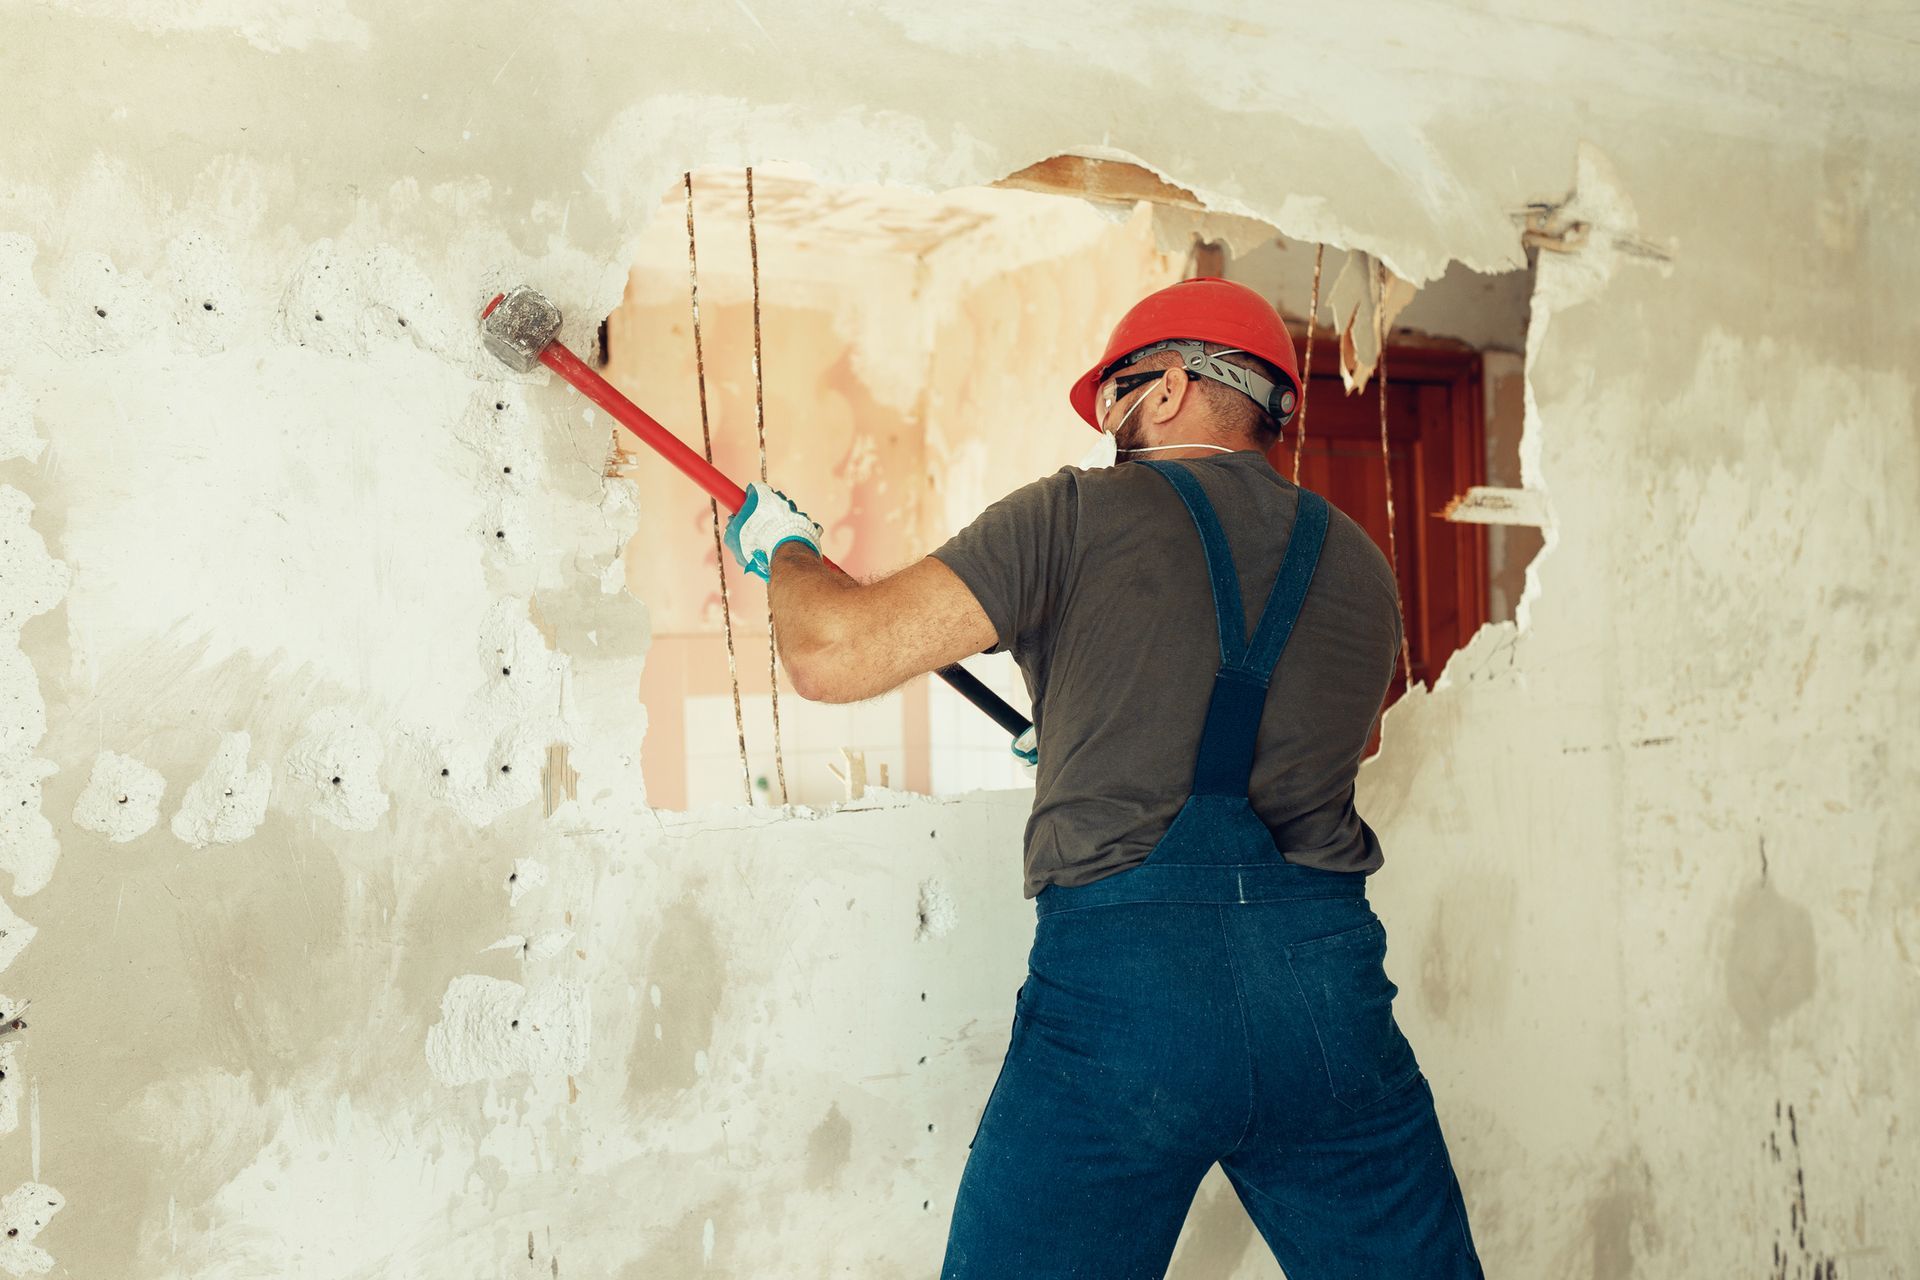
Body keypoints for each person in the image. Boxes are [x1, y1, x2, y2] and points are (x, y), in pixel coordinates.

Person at [724, 277, 1483, 1278]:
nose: (1110, 428)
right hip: (1326, 997)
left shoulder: (1074, 514)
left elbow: (834, 649)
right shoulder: (1360, 565)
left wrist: (788, 553)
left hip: (1129, 996)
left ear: (1167, 389)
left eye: (1117, 398)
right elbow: (1339, 746)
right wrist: (1096, 732)